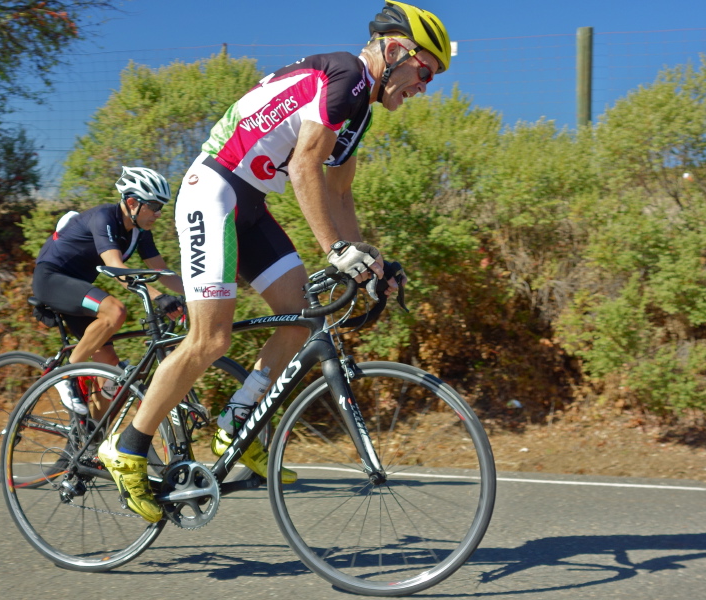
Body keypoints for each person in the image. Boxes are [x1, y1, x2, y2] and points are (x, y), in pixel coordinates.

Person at [98, 1, 450, 522]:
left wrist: (372, 260)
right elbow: (306, 164)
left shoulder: (359, 110)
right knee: (210, 338)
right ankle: (126, 445)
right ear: (396, 51)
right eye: (425, 71)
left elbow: (340, 191)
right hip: (213, 189)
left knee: (300, 316)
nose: (424, 86)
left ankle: (237, 421)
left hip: (250, 204)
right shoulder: (350, 76)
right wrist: (336, 251)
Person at [32, 166, 185, 417]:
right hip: (52, 279)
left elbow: (163, 271)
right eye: (155, 206)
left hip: (81, 289)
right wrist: (159, 297)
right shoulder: (104, 217)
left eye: (162, 207)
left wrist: (199, 295)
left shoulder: (140, 232)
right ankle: (64, 376)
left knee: (111, 372)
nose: (159, 214)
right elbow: (116, 267)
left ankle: (91, 442)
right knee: (115, 310)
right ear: (133, 202)